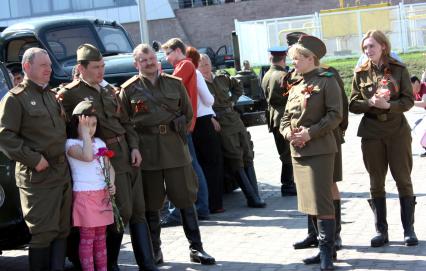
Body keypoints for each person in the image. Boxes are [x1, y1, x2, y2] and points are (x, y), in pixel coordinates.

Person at [58, 44, 158, 271]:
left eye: (102, 66)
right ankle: (111, 263)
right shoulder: (69, 94)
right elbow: (65, 129)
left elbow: (126, 122)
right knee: (119, 211)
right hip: (103, 159)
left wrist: (134, 146)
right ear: (81, 68)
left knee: (139, 209)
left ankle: (147, 263)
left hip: (125, 152)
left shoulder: (109, 90)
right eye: (95, 67)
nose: (101, 71)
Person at [120, 43, 216, 265]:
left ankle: (196, 248)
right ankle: (155, 250)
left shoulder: (175, 84)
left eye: (151, 58)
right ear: (136, 64)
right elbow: (126, 123)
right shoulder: (129, 90)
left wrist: (182, 128)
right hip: (147, 152)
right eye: (143, 60)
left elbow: (188, 112)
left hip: (175, 149)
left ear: (158, 59)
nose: (149, 62)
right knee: (152, 204)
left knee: (186, 199)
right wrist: (134, 147)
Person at [0, 48, 71, 270]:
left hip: (61, 171)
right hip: (38, 175)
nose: (49, 69)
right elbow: (5, 136)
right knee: (42, 232)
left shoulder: (51, 97)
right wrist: (33, 159)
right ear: (27, 67)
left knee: (62, 229)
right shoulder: (15, 99)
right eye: (43, 65)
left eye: (50, 65)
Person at [349, 30, 418, 247]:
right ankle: (381, 231)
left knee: (403, 180)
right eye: (365, 48)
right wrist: (369, 103)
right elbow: (352, 103)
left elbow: (408, 100)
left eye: (371, 46)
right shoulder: (360, 73)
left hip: (397, 132)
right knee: (376, 182)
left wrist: (389, 106)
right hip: (371, 133)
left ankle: (409, 230)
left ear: (383, 47)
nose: (368, 51)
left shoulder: (398, 70)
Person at [280, 35, 343, 270]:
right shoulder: (296, 85)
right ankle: (321, 249)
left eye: (296, 59)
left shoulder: (327, 81)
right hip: (299, 152)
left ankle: (328, 254)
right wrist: (289, 134)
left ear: (310, 58)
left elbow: (335, 115)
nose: (293, 63)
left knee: (323, 202)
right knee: (310, 203)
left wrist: (310, 133)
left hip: (320, 150)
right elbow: (285, 118)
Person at [199, 53, 266, 208]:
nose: (205, 66)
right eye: (202, 64)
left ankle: (256, 194)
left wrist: (233, 100)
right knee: (235, 156)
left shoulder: (222, 78)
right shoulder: (199, 84)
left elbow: (237, 86)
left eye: (207, 63)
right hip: (220, 121)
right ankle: (251, 197)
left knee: (248, 152)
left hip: (233, 117)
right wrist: (211, 117)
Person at [160, 38, 210, 226]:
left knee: (190, 166)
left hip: (182, 125)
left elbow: (169, 86)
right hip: (185, 123)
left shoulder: (185, 65)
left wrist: (158, 74)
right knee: (192, 165)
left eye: (167, 53)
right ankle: (202, 207)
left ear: (177, 51)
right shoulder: (187, 65)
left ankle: (201, 207)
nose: (166, 59)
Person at [65, 101, 116, 271]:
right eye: (86, 124)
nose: (91, 128)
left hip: (102, 195)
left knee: (101, 237)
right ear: (76, 124)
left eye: (94, 125)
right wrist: (86, 135)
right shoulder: (71, 145)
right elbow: (87, 157)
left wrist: (112, 183)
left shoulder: (100, 143)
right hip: (84, 196)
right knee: (87, 238)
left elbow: (109, 167)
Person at [187, 46, 225, 213]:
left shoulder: (183, 73)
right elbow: (208, 100)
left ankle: (206, 202)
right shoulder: (195, 74)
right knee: (212, 164)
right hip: (204, 122)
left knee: (200, 164)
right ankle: (214, 203)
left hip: (194, 123)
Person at [260, 45, 297, 197]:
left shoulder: (267, 74)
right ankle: (288, 184)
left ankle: (288, 183)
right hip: (284, 118)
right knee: (288, 153)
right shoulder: (283, 75)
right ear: (284, 57)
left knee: (284, 153)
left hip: (274, 118)